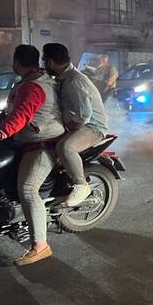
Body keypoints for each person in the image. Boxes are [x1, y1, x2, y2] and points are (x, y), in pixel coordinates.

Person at [0, 45, 65, 266]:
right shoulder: (25, 81)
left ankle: (40, 246)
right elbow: (11, 112)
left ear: (17, 62)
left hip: (42, 144)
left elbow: (22, 116)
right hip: (25, 140)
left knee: (28, 188)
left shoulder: (33, 86)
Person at [42, 44, 109, 207]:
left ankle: (81, 185)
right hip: (79, 123)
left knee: (65, 147)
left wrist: (68, 129)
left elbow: (84, 115)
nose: (43, 64)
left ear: (50, 62)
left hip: (93, 127)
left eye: (44, 60)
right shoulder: (63, 78)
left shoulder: (74, 81)